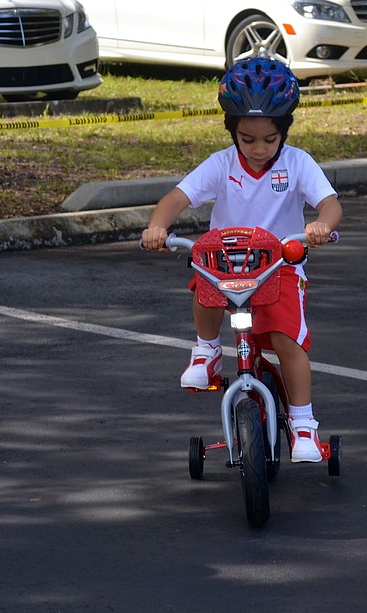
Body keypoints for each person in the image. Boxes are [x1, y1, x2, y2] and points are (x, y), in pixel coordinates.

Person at [141, 57, 343, 463]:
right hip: (227, 265)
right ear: (232, 131)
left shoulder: (297, 163)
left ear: (284, 130)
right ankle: (207, 349)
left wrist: (321, 224)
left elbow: (330, 204)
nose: (258, 148)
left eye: (269, 139)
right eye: (247, 139)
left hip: (280, 266)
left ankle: (303, 424)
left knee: (289, 339)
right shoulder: (221, 164)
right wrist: (157, 227)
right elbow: (176, 199)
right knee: (203, 277)